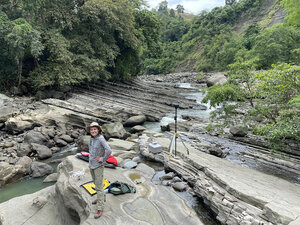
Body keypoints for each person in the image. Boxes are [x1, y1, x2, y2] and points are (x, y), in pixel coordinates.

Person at [86, 122, 112, 219]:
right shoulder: (91, 138)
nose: (93, 131)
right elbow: (90, 149)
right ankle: (101, 198)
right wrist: (91, 157)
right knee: (96, 184)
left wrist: (102, 159)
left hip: (98, 166)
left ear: (98, 130)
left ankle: (100, 207)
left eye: (95, 129)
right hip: (91, 164)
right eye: (91, 129)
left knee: (99, 186)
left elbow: (109, 150)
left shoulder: (101, 138)